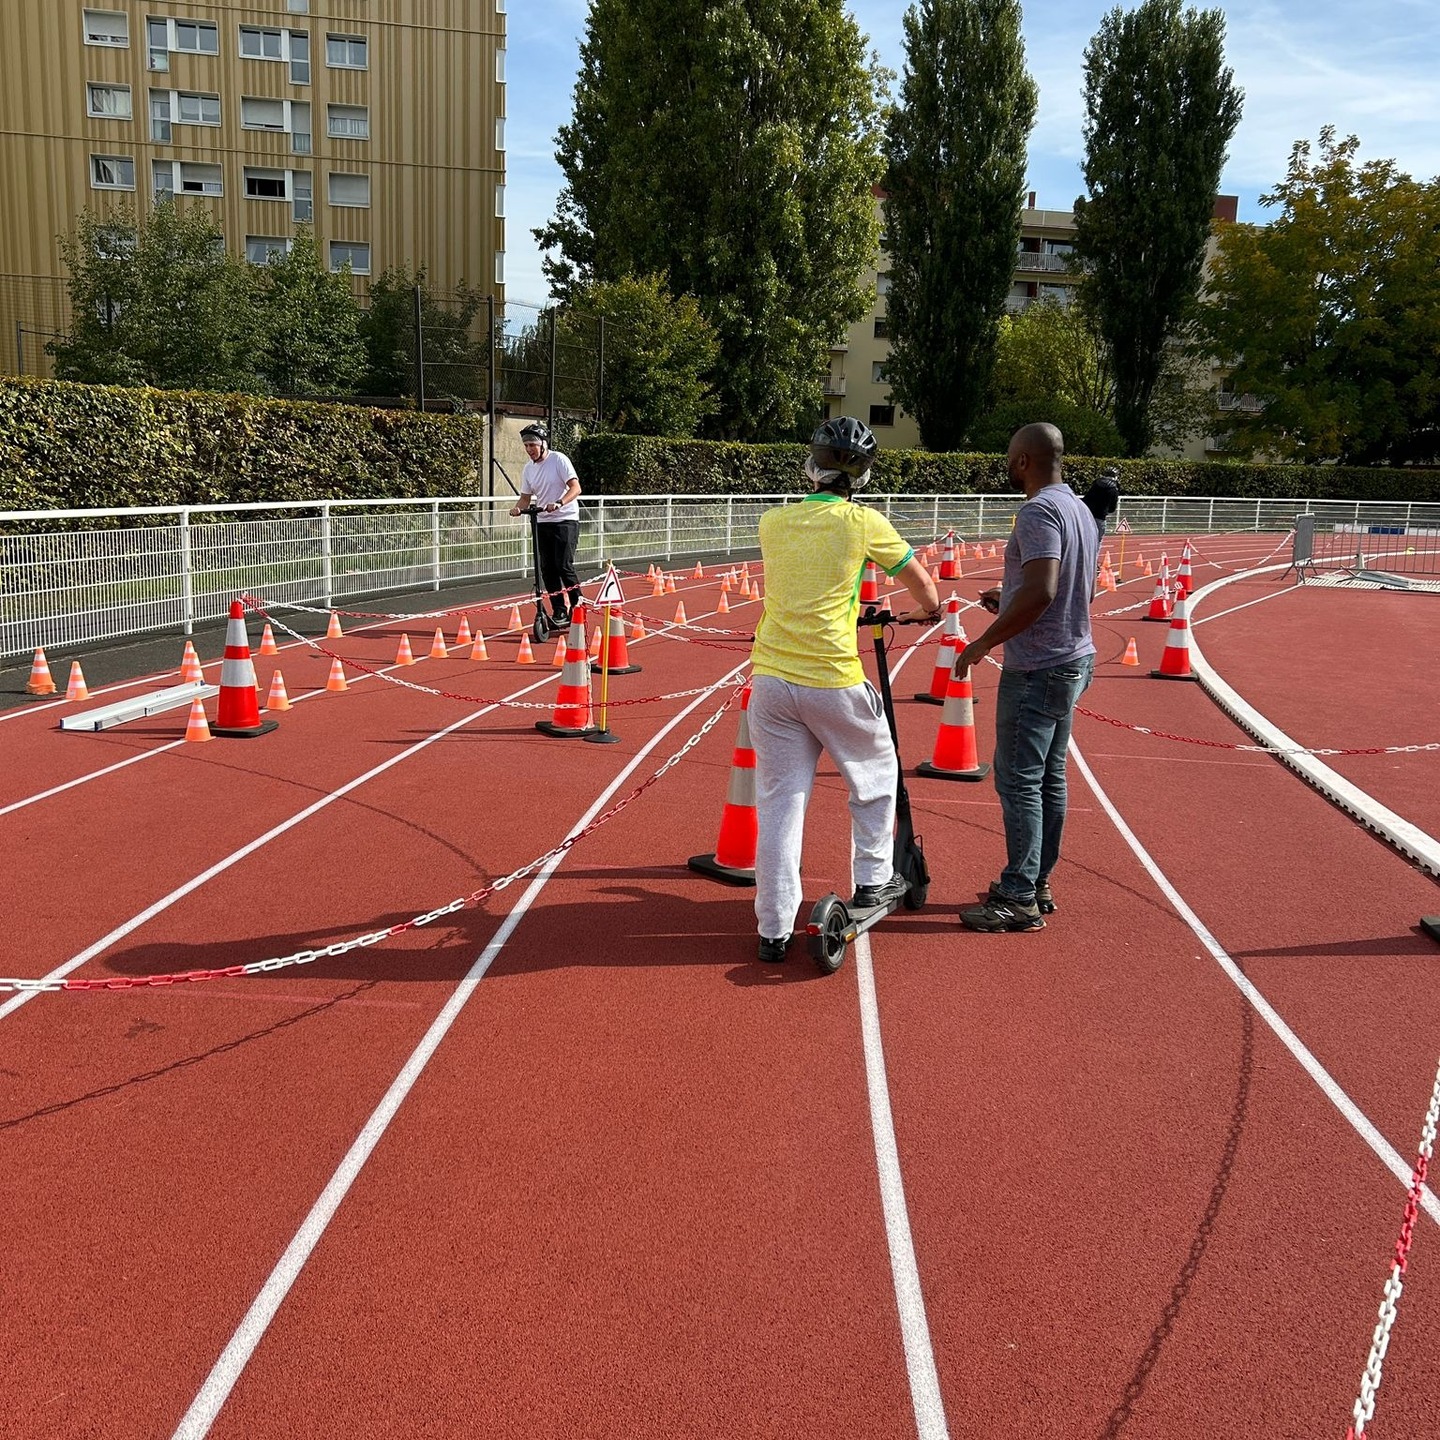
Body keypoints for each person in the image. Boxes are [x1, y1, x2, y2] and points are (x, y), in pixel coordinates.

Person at [748, 415, 940, 963]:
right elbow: (920, 582)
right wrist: (928, 612)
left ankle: (774, 925)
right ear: (859, 475)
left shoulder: (772, 523)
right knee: (876, 777)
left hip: (771, 680)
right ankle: (874, 880)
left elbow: (808, 583)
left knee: (781, 802)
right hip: (831, 678)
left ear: (812, 465)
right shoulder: (863, 524)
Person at [952, 422, 1099, 933]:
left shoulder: (1037, 511)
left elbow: (1043, 590)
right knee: (1048, 778)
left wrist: (985, 641)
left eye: (1010, 458)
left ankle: (1018, 897)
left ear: (1023, 462)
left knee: (1019, 781)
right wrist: (1007, 596)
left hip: (1039, 666)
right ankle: (1035, 881)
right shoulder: (1079, 509)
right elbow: (1073, 586)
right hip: (1074, 657)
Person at [509, 422, 582, 624]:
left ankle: (578, 607)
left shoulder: (559, 460)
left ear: (543, 444)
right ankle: (559, 610)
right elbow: (525, 498)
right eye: (526, 446)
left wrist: (559, 503)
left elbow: (575, 488)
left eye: (532, 444)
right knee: (547, 568)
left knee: (563, 565)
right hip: (542, 521)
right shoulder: (528, 469)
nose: (529, 450)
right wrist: (517, 508)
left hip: (565, 519)